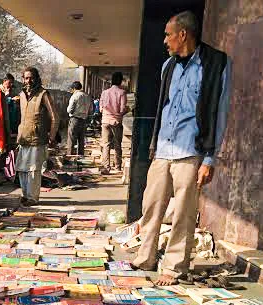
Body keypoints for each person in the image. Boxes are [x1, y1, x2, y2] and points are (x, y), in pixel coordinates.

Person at [134, 10, 231, 286]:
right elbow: (162, 108)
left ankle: (174, 267)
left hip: (191, 150)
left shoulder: (216, 64)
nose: (165, 41)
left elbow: (219, 112)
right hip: (164, 147)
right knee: (151, 206)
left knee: (184, 213)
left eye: (168, 34)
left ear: (183, 34)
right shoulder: (169, 66)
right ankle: (145, 258)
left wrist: (210, 158)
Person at [16, 67, 58, 206]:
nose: (29, 81)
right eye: (26, 78)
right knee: (22, 169)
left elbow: (54, 117)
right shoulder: (21, 95)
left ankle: (33, 198)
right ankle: (25, 195)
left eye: (31, 78)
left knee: (34, 170)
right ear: (23, 79)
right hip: (23, 138)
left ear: (37, 78)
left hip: (37, 138)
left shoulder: (43, 94)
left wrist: (52, 137)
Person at [99, 72, 128, 173]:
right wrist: (127, 110)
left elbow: (101, 109)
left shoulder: (104, 92)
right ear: (120, 81)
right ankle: (117, 167)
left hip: (105, 122)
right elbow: (122, 109)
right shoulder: (122, 92)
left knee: (106, 144)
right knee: (117, 145)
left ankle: (106, 168)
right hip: (116, 122)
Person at [66, 81, 92, 156]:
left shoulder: (75, 96)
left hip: (75, 119)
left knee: (71, 140)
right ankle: (81, 157)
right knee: (81, 140)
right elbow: (90, 110)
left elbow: (69, 110)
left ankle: (70, 157)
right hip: (84, 120)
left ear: (74, 88)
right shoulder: (87, 96)